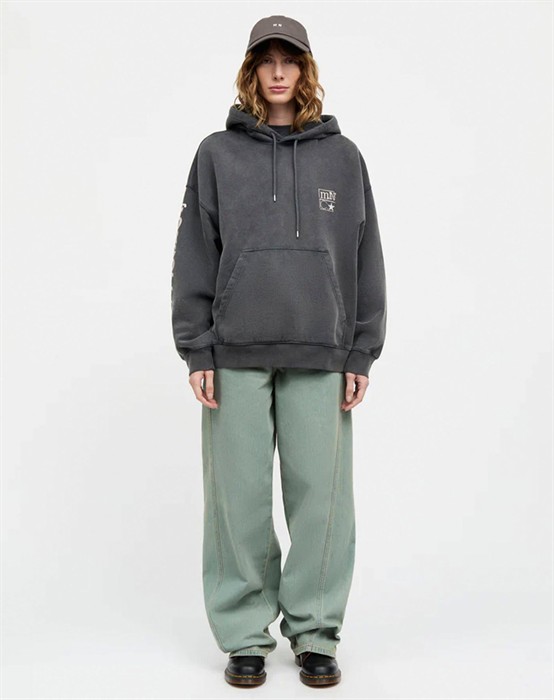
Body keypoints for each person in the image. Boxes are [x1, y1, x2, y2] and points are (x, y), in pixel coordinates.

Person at [171, 14, 387, 688]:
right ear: (250, 71)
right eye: (265, 60)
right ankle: (244, 636)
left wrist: (361, 352)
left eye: (288, 60)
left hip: (321, 351)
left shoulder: (343, 158)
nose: (277, 72)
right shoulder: (216, 154)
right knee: (236, 503)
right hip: (233, 352)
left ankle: (316, 634)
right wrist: (197, 348)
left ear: (305, 69)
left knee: (323, 503)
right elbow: (195, 252)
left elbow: (366, 257)